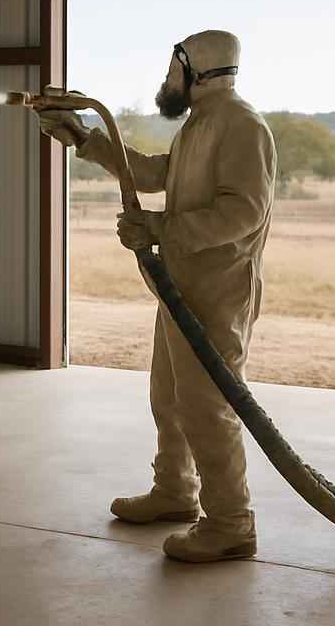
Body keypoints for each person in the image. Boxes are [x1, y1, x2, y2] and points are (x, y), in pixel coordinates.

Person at [37, 30, 276, 563]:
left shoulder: (241, 126)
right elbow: (155, 173)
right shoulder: (202, 124)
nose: (166, 82)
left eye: (173, 71)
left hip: (216, 296)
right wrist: (83, 137)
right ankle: (175, 491)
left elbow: (243, 213)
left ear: (197, 72)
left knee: (208, 407)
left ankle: (231, 524)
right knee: (169, 397)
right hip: (182, 288)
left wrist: (159, 229)